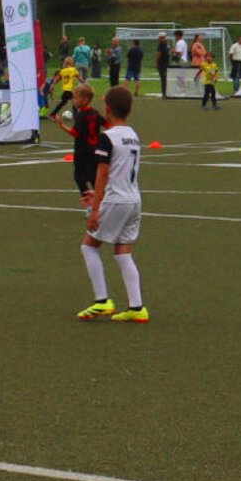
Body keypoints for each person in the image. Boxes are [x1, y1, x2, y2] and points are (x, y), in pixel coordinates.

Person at [76, 85, 147, 324]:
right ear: (130, 110)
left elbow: (103, 173)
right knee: (123, 251)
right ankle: (136, 306)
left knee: (89, 246)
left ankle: (102, 300)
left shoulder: (107, 137)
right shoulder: (133, 134)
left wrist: (95, 208)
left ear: (106, 109)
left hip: (116, 199)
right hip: (133, 199)